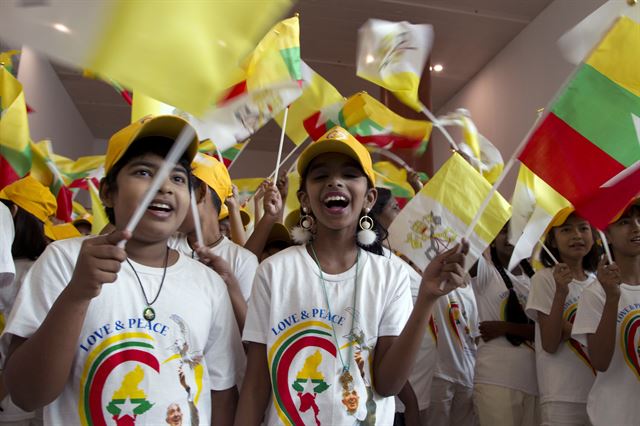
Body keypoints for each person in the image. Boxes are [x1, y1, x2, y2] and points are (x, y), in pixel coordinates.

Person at [2, 115, 244, 425]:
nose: (165, 187)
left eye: (178, 178)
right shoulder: (63, 260)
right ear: (107, 192)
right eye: (144, 172)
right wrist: (76, 296)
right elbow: (26, 393)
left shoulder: (209, 284)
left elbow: (221, 391)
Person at [235, 127, 468, 425]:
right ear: (305, 199)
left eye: (349, 174)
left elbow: (388, 386)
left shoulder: (390, 273)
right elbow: (255, 387)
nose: (335, 182)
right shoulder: (274, 271)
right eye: (321, 176)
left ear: (369, 197)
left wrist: (425, 300)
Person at [369, 187, 438, 426]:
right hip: (399, 393)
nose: (403, 213)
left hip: (415, 383)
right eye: (395, 208)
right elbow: (380, 342)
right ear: (374, 214)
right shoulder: (378, 262)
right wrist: (409, 400)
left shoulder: (394, 258)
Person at [525, 209, 599, 425]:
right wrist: (560, 292)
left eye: (584, 228)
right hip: (561, 396)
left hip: (599, 394)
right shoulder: (544, 279)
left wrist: (571, 329)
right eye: (566, 230)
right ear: (553, 242)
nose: (577, 235)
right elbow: (549, 342)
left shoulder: (600, 283)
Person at [572, 200, 640, 426]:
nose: (636, 227)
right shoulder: (595, 294)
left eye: (639, 219)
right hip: (615, 416)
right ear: (607, 235)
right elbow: (600, 361)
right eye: (624, 222)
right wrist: (612, 298)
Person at [173, 153, 258, 328]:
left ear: (201, 192)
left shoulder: (242, 260)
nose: (168, 198)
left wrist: (229, 284)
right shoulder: (163, 245)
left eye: (178, 187)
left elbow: (250, 337)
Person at [0, 176, 58, 426]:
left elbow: (25, 337)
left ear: (12, 211)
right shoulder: (45, 267)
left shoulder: (22, 272)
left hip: (10, 396)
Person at [472, 223, 539, 426]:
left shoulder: (540, 281)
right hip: (496, 382)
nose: (510, 237)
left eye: (517, 231)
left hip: (537, 384)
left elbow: (550, 331)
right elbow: (463, 243)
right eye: (503, 232)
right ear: (492, 239)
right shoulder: (486, 274)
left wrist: (505, 328)